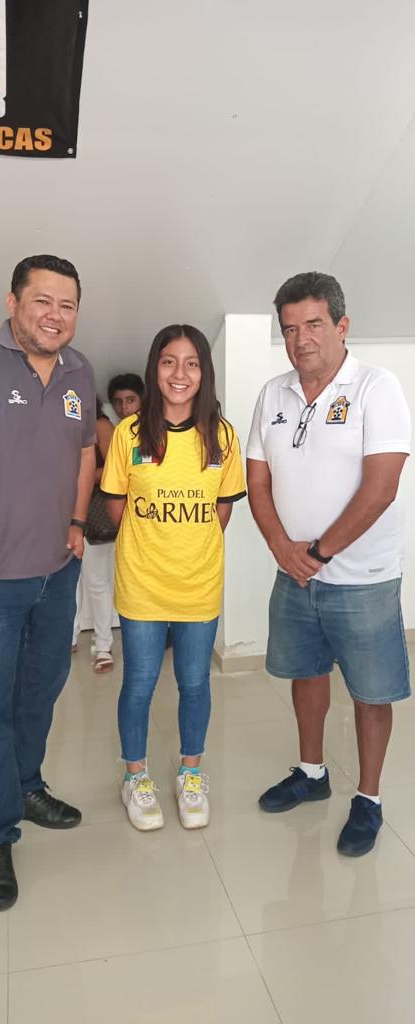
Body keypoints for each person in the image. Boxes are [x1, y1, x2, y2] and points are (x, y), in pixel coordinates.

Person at [247, 271, 411, 857]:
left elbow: (381, 487)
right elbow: (257, 481)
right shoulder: (274, 394)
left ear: (342, 325)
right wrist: (282, 549)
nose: (301, 339)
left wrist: (317, 552)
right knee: (306, 675)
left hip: (362, 580)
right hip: (294, 575)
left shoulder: (376, 388)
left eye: (313, 324)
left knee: (370, 693)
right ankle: (311, 772)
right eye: (290, 329)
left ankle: (368, 798)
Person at [0, 254, 96, 910]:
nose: (54, 316)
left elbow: (85, 451)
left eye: (67, 305)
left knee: (40, 691)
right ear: (13, 302)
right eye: (42, 301)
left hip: (56, 574)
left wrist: (76, 521)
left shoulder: (79, 370)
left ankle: (24, 785)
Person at [101, 324, 246, 831]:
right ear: (154, 368)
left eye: (191, 363)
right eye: (168, 361)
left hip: (198, 584)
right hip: (141, 583)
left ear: (204, 372)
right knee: (139, 683)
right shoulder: (129, 433)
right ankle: (136, 777)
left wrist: (188, 545)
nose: (179, 373)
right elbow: (117, 506)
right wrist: (153, 542)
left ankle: (191, 772)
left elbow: (222, 509)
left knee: (195, 682)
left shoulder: (222, 436)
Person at [72, 397, 115, 672]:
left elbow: (115, 467)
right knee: (69, 581)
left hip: (95, 514)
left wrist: (81, 477)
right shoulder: (59, 423)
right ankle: (69, 637)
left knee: (96, 581)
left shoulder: (100, 425)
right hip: (61, 511)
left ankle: (103, 646)